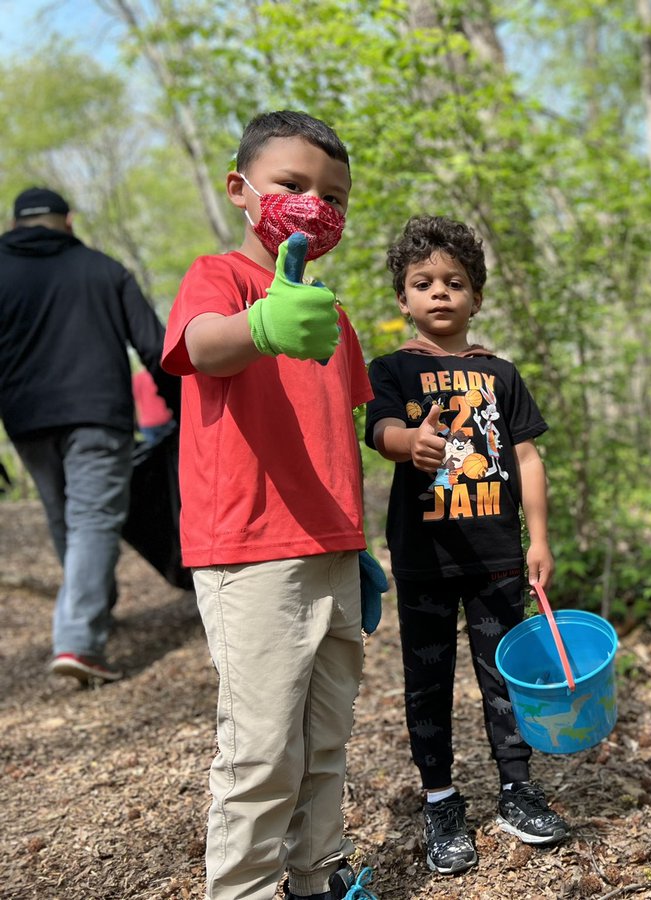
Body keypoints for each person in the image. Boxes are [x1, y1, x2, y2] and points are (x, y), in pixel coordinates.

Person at [162, 111, 380, 900]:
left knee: (326, 739)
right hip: (249, 552)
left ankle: (315, 877)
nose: (314, 205)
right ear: (241, 188)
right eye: (293, 185)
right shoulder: (219, 278)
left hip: (332, 552)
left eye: (334, 196)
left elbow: (338, 436)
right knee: (260, 751)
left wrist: (357, 546)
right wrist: (259, 324)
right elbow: (201, 345)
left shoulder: (333, 315)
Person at [365, 215, 569, 876]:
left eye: (455, 282)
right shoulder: (392, 369)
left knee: (503, 680)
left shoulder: (500, 375)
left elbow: (529, 457)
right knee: (426, 682)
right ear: (403, 299)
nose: (440, 293)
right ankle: (441, 800)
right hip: (425, 557)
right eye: (423, 283)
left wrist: (538, 537)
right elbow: (382, 431)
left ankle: (516, 788)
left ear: (476, 296)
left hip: (498, 557)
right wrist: (409, 444)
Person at [0, 186, 179, 685]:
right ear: (69, 220)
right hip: (97, 413)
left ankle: (91, 612)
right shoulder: (102, 268)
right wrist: (183, 408)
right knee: (92, 519)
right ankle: (79, 640)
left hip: (25, 419)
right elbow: (155, 346)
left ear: (16, 224)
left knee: (66, 515)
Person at [131, 366, 174, 447]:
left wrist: (136, 422)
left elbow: (136, 403)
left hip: (147, 423)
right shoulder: (158, 375)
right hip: (165, 418)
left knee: (152, 455)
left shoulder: (136, 379)